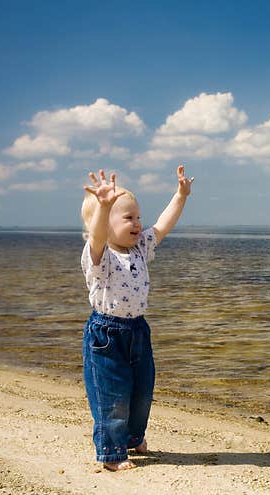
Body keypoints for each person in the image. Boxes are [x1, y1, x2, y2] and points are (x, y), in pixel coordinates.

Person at [80, 166, 194, 471]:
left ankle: (132, 437)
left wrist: (180, 196)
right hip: (107, 334)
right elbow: (97, 235)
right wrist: (104, 207)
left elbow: (162, 226)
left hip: (138, 330)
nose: (137, 223)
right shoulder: (99, 255)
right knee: (112, 394)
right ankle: (112, 452)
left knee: (142, 391)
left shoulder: (141, 248)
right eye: (128, 218)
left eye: (137, 216)